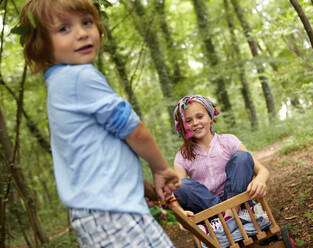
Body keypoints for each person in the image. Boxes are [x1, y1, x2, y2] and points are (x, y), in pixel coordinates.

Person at [20, 0, 180, 247]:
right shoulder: (78, 77)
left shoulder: (59, 83)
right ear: (42, 45)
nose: (82, 33)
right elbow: (135, 131)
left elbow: (102, 156)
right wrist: (160, 168)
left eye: (86, 22)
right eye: (64, 28)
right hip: (111, 211)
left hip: (102, 210)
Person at [172, 95, 270, 229]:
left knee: (242, 157)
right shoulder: (182, 156)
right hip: (209, 209)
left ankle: (231, 214)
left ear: (210, 117)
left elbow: (263, 171)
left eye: (200, 117)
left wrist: (259, 180)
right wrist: (180, 213)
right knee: (180, 185)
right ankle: (227, 218)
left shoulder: (228, 141)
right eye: (188, 120)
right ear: (183, 126)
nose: (195, 123)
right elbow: (174, 193)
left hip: (237, 198)